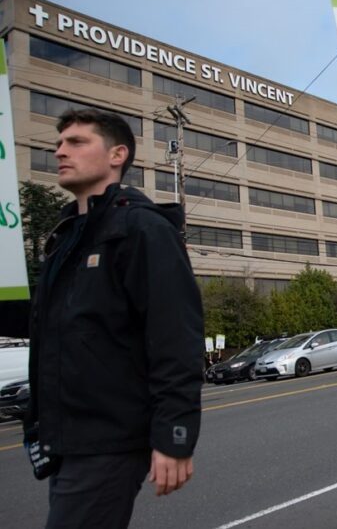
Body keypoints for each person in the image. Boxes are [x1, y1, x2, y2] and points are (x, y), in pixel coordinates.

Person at [24, 109, 204, 527]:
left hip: (109, 439)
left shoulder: (141, 228)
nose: (60, 151)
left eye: (76, 142)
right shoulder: (66, 238)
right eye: (58, 143)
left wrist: (174, 435)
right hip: (65, 439)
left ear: (117, 155)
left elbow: (176, 337)